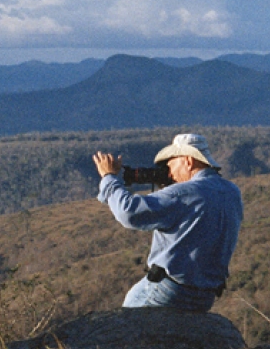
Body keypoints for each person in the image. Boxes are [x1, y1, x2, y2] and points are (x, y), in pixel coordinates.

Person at [93, 133, 243, 312]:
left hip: (169, 290)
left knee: (124, 331)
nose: (169, 172)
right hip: (205, 296)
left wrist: (109, 178)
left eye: (170, 164)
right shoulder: (232, 192)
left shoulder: (183, 193)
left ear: (188, 161)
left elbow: (129, 213)